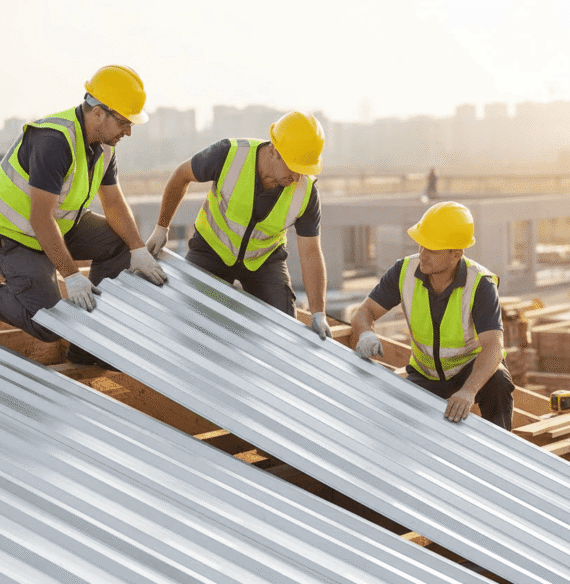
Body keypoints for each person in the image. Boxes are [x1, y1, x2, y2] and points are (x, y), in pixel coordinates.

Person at [0, 65, 166, 367]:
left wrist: (137, 249)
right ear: (99, 112)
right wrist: (72, 276)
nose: (128, 131)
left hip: (61, 228)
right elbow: (40, 219)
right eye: (125, 122)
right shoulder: (54, 141)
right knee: (51, 326)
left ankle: (88, 342)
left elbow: (113, 203)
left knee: (121, 244)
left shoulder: (104, 145)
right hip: (15, 235)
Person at [145, 111, 332, 339]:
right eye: (293, 167)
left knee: (281, 328)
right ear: (273, 151)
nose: (297, 177)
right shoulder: (229, 154)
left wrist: (318, 312)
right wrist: (162, 228)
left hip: (263, 260)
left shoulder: (307, 193)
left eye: (304, 170)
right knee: (188, 316)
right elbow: (181, 175)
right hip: (212, 250)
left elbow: (311, 253)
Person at [351, 201, 515, 430]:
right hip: (424, 374)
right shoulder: (403, 271)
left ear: (456, 254)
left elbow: (493, 346)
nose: (423, 255)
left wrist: (468, 391)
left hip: (468, 371)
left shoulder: (480, 284)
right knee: (392, 417)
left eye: (432, 250)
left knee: (498, 383)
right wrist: (366, 334)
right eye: (421, 246)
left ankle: (502, 455)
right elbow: (364, 311)